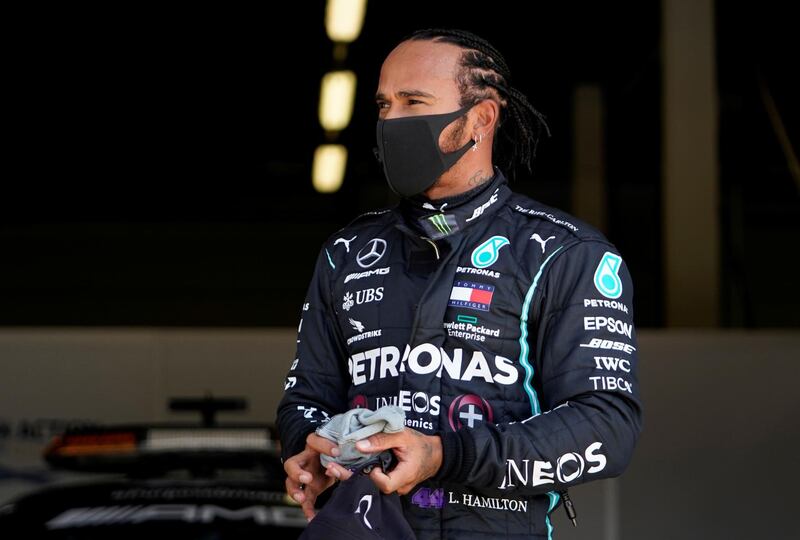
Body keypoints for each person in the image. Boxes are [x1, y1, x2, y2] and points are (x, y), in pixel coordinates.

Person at [277, 28, 642, 539]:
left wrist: (444, 456)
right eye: (384, 105)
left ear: (481, 119)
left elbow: (607, 427)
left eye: (414, 102)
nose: (391, 121)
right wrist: (306, 450)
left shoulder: (565, 253)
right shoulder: (347, 252)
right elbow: (305, 399)